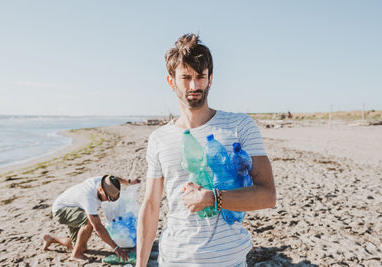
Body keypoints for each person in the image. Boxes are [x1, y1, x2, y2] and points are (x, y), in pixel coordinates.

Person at [136, 33, 276, 266]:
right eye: (186, 77)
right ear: (171, 81)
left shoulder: (240, 126)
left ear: (210, 78)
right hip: (174, 259)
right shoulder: (159, 138)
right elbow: (150, 206)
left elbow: (268, 196)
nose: (194, 85)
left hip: (227, 260)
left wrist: (212, 198)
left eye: (201, 76)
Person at [43, 175, 140, 262]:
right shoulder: (89, 199)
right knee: (89, 222)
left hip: (76, 208)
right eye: (108, 198)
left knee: (80, 247)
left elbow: (114, 179)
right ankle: (76, 255)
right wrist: (116, 249)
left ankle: (51, 238)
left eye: (112, 199)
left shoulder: (104, 181)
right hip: (60, 211)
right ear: (101, 190)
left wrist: (130, 181)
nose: (109, 201)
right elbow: (98, 228)